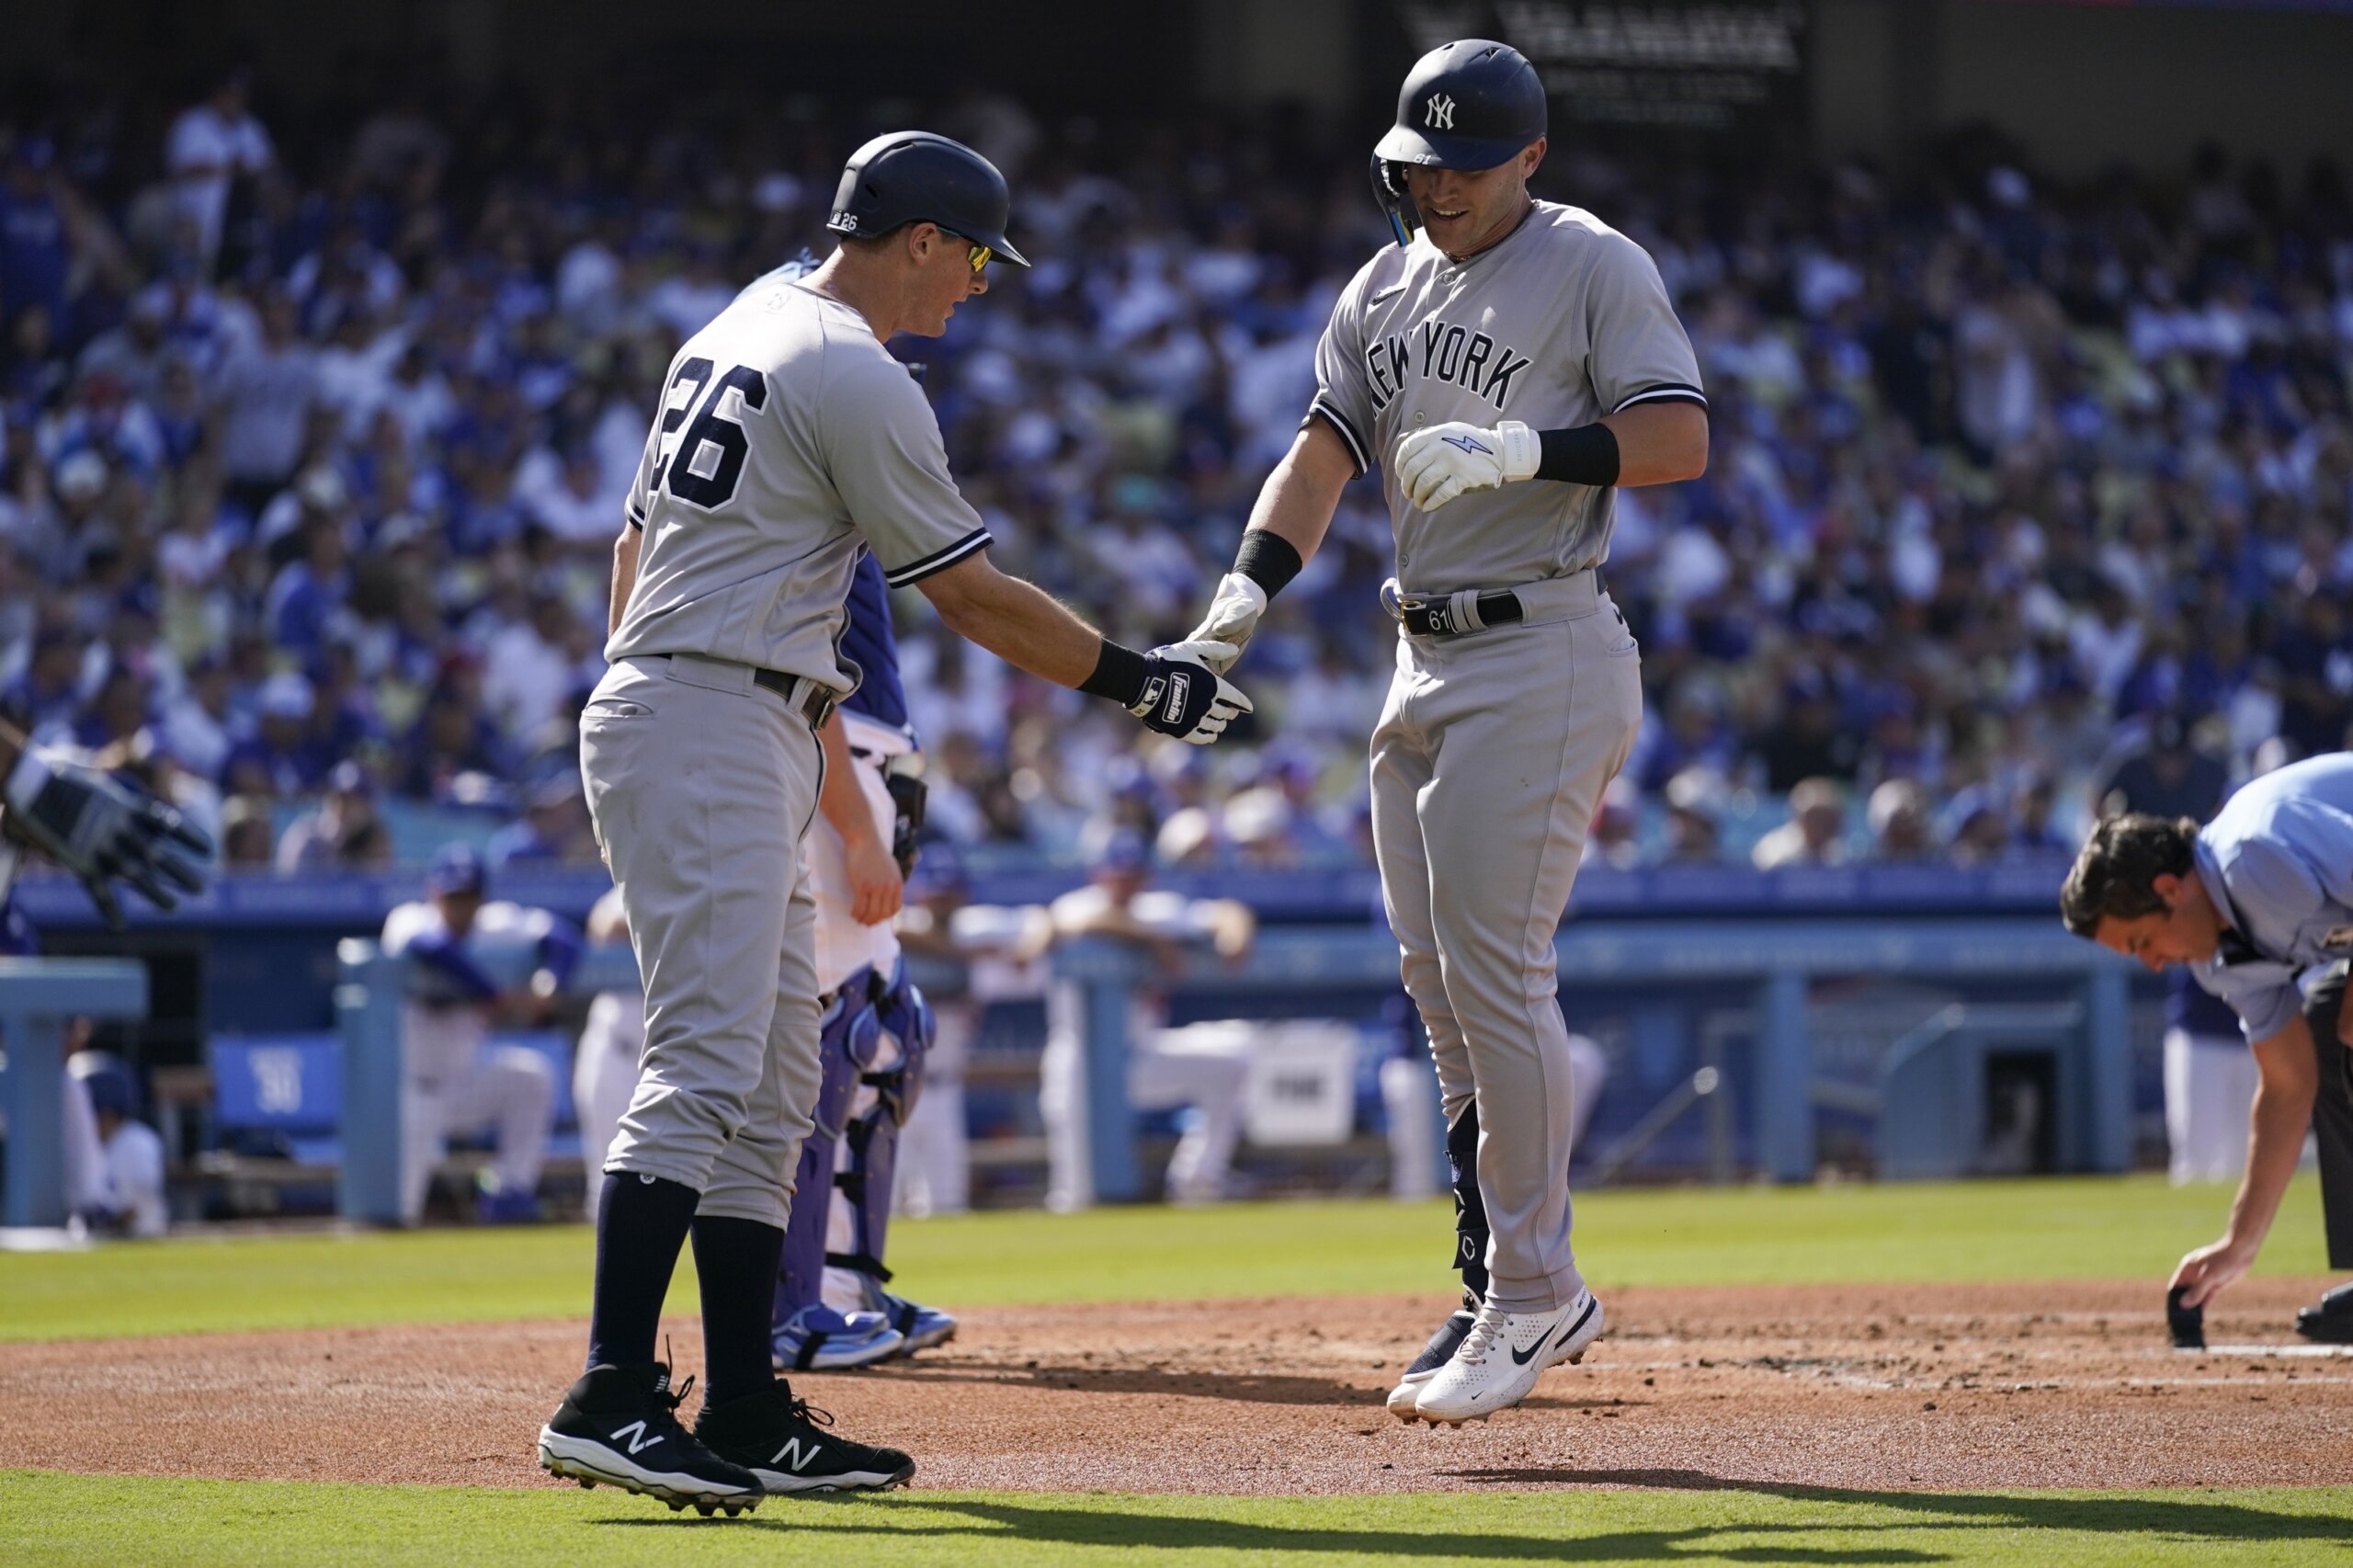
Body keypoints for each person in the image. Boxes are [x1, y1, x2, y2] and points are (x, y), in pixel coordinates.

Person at [540, 131, 1252, 1516]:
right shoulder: (854, 367)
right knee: (706, 1062)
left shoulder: (741, 317)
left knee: (768, 1072)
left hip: (724, 704)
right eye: (976, 254)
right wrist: (1141, 682)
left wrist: (709, 685)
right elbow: (972, 597)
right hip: (711, 713)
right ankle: (612, 1389)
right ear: (921, 237)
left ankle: (743, 1402)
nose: (980, 284)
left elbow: (632, 552)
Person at [1177, 40, 1706, 1426]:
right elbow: (1321, 451)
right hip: (1420, 653)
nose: (1443, 186)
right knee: (1437, 985)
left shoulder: (1594, 262)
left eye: (1470, 165)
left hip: (1545, 641)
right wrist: (1246, 591)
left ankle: (1539, 1293)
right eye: (1425, 163)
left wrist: (1534, 448)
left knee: (1495, 969)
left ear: (1532, 157)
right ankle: (1496, 1279)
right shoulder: (1382, 282)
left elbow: (1676, 439)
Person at [2059, 753, 2353, 1345]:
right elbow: (2289, 1085)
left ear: (2170, 889)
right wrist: (2238, 1244)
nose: (2154, 962)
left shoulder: (2254, 856)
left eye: (2144, 940)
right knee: (2327, 1028)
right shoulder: (2222, 963)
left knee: (2344, 1022)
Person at [770, 547, 958, 1373]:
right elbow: (801, 651)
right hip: (826, 760)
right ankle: (787, 1306)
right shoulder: (808, 449)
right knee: (836, 1032)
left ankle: (846, 1290)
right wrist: (854, 824)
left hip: (866, 757)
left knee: (887, 1035)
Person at [1037, 828, 1256, 1210]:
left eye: (1132, 873)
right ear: (1097, 873)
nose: (1124, 881)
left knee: (1232, 1062)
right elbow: (1080, 923)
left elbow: (1227, 912)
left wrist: (1234, 938)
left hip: (1137, 1057)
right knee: (1077, 1195)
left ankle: (1198, 1178)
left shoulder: (1156, 908)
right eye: (1115, 872)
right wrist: (1155, 940)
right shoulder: (1076, 905)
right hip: (1079, 1066)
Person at [380, 845, 577, 1226]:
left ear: (482, 898)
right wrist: (494, 995)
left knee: (531, 1079)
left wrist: (549, 984)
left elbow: (561, 936)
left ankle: (508, 1191)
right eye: (452, 897)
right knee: (397, 1216)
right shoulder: (408, 919)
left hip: (463, 1084)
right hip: (411, 1094)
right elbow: (430, 948)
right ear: (434, 894)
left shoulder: (494, 925)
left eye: (468, 897)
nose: (460, 907)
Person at [63, 1051, 168, 1238]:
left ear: (107, 1111)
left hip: (138, 1243)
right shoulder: (93, 1146)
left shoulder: (137, 1143)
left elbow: (133, 1212)